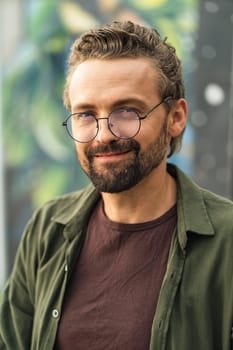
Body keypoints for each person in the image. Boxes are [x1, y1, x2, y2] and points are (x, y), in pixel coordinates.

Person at [0, 20, 233, 350]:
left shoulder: (227, 242)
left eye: (127, 111)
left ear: (176, 118)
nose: (104, 133)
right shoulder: (46, 228)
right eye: (85, 114)